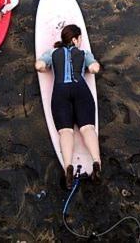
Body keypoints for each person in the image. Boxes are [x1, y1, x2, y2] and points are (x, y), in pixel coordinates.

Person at [35, 24, 101, 189]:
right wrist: (87, 66)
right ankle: (96, 162)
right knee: (87, 128)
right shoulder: (84, 53)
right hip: (80, 89)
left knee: (66, 131)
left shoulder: (53, 52)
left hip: (60, 91)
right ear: (75, 39)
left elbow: (39, 66)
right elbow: (94, 69)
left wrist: (47, 68)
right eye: (80, 39)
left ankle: (68, 167)